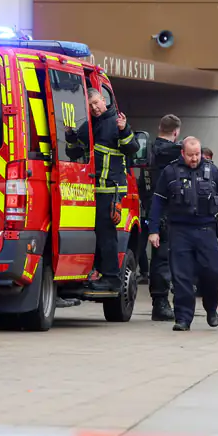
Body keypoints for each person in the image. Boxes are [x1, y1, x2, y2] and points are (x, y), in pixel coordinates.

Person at [147, 137, 218, 331]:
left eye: (197, 154)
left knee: (213, 273)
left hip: (206, 230)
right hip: (180, 231)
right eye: (190, 155)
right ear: (183, 153)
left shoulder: (211, 170)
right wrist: (153, 230)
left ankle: (211, 307)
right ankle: (183, 318)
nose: (194, 158)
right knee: (182, 277)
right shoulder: (170, 172)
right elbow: (157, 201)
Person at [67, 89, 139, 294]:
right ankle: (98, 272)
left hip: (111, 188)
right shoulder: (89, 125)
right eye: (90, 105)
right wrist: (70, 136)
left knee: (107, 234)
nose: (94, 108)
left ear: (103, 99)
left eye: (96, 103)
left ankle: (112, 278)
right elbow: (73, 152)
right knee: (98, 233)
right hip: (93, 188)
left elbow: (132, 148)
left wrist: (124, 130)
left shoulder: (116, 121)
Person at [145, 114, 183, 321]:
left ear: (160, 127)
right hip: (169, 211)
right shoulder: (176, 153)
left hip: (153, 208)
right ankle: (161, 304)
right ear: (176, 132)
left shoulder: (149, 149)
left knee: (160, 258)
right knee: (164, 259)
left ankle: (160, 302)